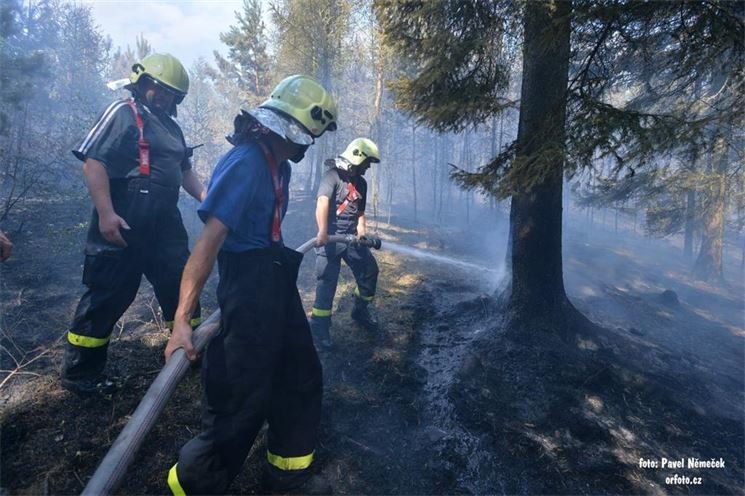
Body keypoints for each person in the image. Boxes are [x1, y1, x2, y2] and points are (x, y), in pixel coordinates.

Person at [164, 74, 337, 495]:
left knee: (299, 372)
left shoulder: (277, 165)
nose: (307, 146)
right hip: (249, 286)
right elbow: (207, 245)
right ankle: (192, 484)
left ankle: (287, 471)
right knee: (240, 395)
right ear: (292, 129)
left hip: (275, 277)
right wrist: (181, 321)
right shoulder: (246, 163)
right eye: (308, 137)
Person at [61, 53, 206, 396]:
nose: (166, 97)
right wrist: (106, 214)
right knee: (109, 293)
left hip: (165, 224)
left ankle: (188, 353)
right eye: (160, 89)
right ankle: (81, 373)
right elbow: (93, 162)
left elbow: (185, 172)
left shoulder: (172, 127)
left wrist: (209, 199)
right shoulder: (123, 113)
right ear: (142, 83)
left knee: (180, 284)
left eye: (172, 94)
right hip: (123, 219)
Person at [309, 138, 381, 350]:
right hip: (330, 240)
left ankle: (360, 311)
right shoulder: (332, 176)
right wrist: (323, 231)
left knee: (369, 271)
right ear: (357, 158)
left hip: (351, 240)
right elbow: (322, 202)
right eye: (367, 162)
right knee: (326, 285)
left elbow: (359, 213)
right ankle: (320, 331)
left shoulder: (362, 183)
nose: (368, 167)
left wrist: (361, 232)